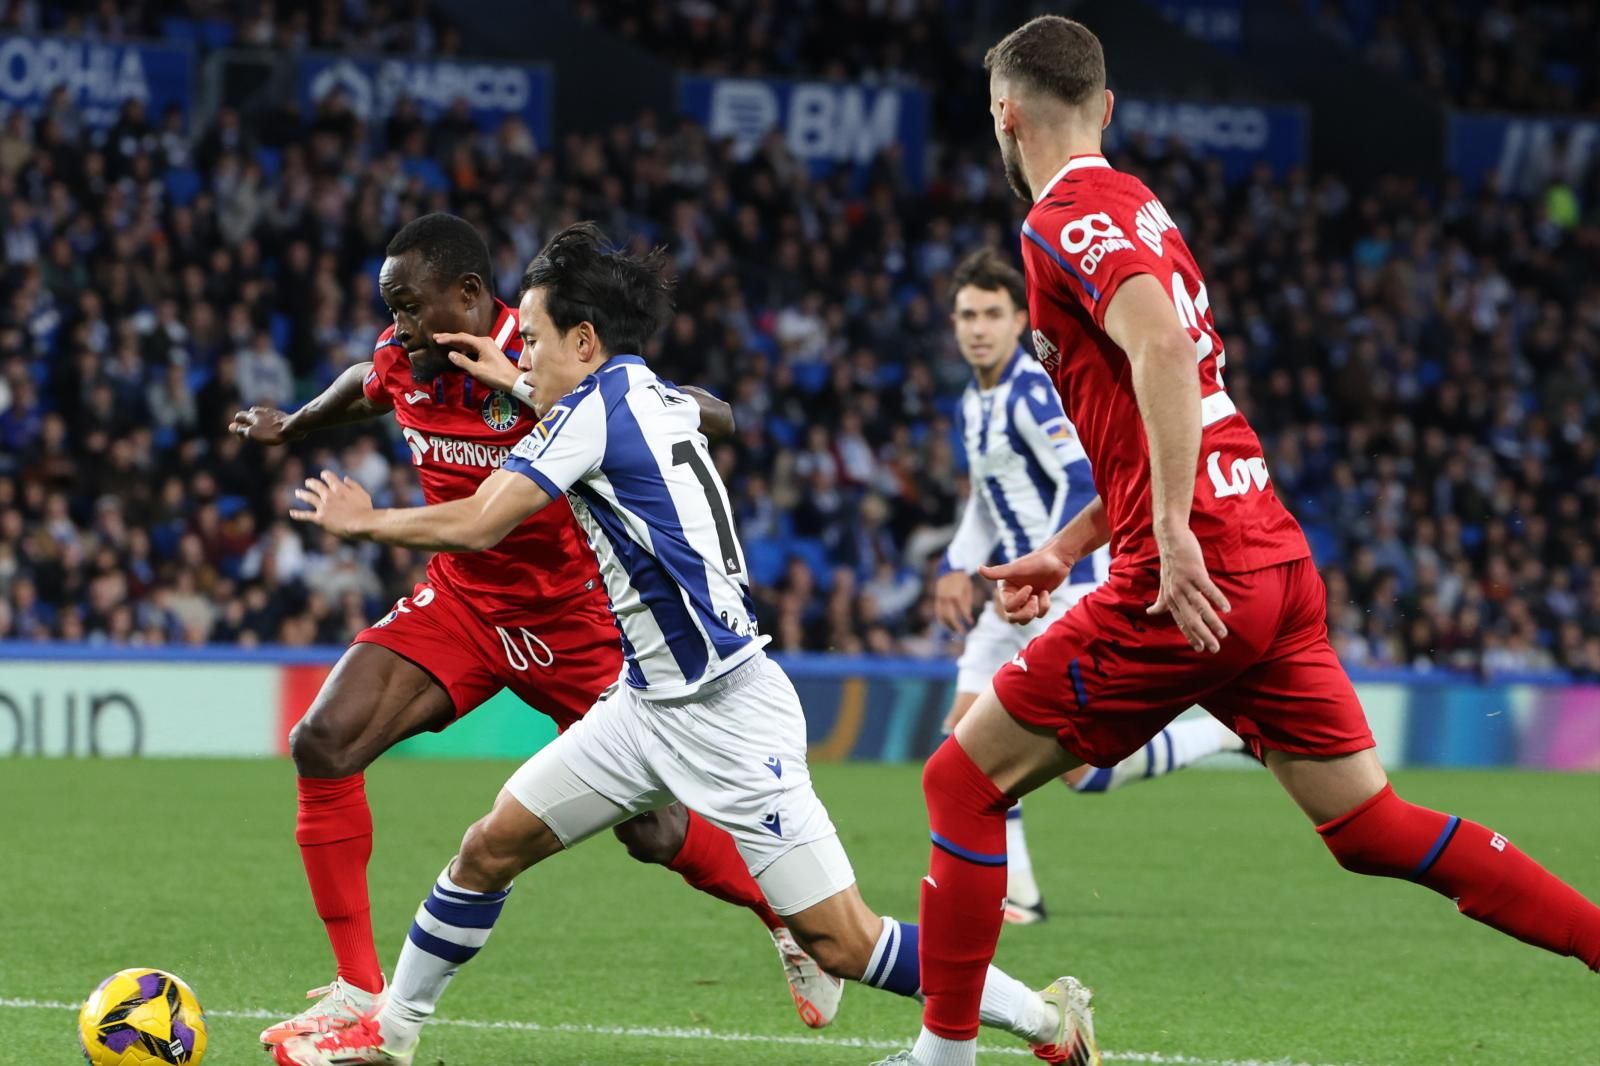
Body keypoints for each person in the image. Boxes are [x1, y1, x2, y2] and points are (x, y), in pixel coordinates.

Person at [881, 16, 1600, 1066]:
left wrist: (1164, 535)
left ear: (1005, 116)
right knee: (1367, 827)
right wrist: (1068, 541)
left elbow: (1164, 352)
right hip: (1268, 555)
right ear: (1108, 108)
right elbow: (1164, 408)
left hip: (1191, 576)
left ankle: (942, 1060)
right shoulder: (1138, 205)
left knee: (959, 781)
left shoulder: (1063, 218)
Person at [270, 223, 1096, 1066]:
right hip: (644, 704)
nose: (527, 357)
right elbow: (654, 408)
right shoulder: (642, 393)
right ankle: (391, 1034)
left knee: (845, 941)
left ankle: (1048, 1019)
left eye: (542, 341)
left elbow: (482, 520)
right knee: (489, 848)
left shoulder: (590, 415)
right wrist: (514, 383)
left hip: (730, 714)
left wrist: (362, 518)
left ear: (583, 342)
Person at [231, 213, 841, 1045]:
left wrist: (522, 393)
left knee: (653, 832)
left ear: (472, 297)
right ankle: (355, 987)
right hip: (465, 604)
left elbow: (705, 414)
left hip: (576, 618)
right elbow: (360, 384)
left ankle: (787, 920)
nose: (398, 327)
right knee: (322, 741)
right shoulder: (401, 361)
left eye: (411, 307)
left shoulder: (549, 350)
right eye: (392, 309)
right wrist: (295, 423)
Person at [935, 247, 1243, 924]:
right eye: (966, 315)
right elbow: (985, 499)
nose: (978, 327)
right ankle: (1017, 895)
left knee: (1074, 770)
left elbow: (1081, 481)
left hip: (1057, 589)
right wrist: (954, 564)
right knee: (962, 739)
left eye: (993, 314)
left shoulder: (1028, 392)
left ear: (1020, 320)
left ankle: (1221, 737)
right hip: (1008, 596)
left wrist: (1044, 561)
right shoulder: (972, 402)